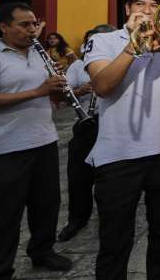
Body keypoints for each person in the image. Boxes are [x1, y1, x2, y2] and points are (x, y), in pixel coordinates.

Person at [84, 0, 160, 279]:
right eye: (140, 4)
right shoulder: (104, 41)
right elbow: (103, 87)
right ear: (127, 9)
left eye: (153, 6)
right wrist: (132, 46)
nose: (146, 11)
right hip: (119, 154)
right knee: (115, 239)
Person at [0, 2, 73, 278]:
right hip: (4, 150)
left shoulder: (39, 55)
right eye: (24, 25)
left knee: (46, 205)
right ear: (3, 26)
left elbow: (51, 96)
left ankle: (42, 251)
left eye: (34, 24)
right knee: (3, 216)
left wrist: (64, 90)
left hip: (44, 141)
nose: (32, 30)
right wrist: (38, 91)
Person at [58, 24, 117, 243]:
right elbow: (63, 96)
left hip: (113, 124)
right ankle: (77, 218)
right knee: (78, 174)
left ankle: (110, 216)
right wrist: (80, 90)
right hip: (86, 124)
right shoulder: (78, 66)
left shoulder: (121, 60)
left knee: (111, 175)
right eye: (92, 40)